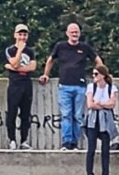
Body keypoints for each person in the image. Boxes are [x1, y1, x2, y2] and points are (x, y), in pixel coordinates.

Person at [39, 23, 103, 151]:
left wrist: (100, 75)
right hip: (64, 86)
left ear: (79, 33)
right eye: (72, 32)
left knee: (78, 116)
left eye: (77, 32)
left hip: (80, 86)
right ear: (67, 33)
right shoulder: (60, 46)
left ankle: (74, 143)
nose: (74, 34)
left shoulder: (84, 47)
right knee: (66, 115)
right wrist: (46, 74)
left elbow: (97, 60)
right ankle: (66, 142)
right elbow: (50, 60)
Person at [4, 24, 37, 150]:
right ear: (15, 35)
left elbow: (32, 67)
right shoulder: (10, 50)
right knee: (12, 112)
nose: (22, 37)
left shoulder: (30, 51)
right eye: (20, 34)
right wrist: (19, 51)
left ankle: (24, 140)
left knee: (25, 114)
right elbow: (13, 62)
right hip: (15, 84)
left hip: (26, 83)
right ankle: (12, 139)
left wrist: (16, 68)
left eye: (25, 34)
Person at [83, 65, 117, 175]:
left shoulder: (111, 88)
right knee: (91, 147)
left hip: (106, 119)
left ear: (103, 75)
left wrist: (100, 103)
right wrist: (104, 105)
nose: (94, 77)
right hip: (93, 119)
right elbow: (90, 105)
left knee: (105, 148)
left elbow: (112, 104)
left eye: (96, 74)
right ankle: (89, 174)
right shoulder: (91, 87)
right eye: (93, 74)